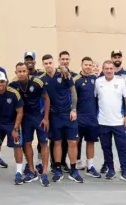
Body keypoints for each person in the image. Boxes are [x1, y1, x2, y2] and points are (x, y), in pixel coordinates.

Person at [9, 62, 51, 186]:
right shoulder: (13, 85)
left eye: (23, 71)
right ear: (16, 73)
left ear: (27, 71)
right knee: (26, 144)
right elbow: (3, 90)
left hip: (38, 117)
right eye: (19, 71)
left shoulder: (37, 82)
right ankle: (32, 171)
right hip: (25, 119)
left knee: (44, 143)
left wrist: (46, 118)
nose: (21, 73)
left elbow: (47, 99)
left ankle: (44, 172)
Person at [41, 54, 80, 183]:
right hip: (54, 115)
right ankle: (57, 168)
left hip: (68, 114)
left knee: (72, 142)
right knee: (57, 142)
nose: (48, 65)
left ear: (54, 63)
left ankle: (74, 170)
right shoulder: (42, 79)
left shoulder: (64, 74)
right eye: (45, 63)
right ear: (43, 65)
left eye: (50, 63)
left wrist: (74, 109)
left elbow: (73, 92)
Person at [95, 60, 126, 183]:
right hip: (103, 122)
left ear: (114, 70)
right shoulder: (98, 82)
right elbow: (94, 100)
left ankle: (125, 171)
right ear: (103, 69)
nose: (109, 70)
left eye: (111, 68)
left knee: (122, 148)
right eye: (106, 68)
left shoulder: (121, 82)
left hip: (119, 122)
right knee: (106, 148)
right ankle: (110, 169)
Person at [0, 71, 25, 183]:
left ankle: (18, 172)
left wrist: (16, 129)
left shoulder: (13, 93)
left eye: (2, 81)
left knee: (17, 145)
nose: (0, 84)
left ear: (6, 82)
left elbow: (20, 112)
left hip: (12, 124)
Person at [74, 57, 101, 179]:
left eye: (90, 65)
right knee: (75, 142)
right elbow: (72, 98)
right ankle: (74, 167)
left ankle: (90, 166)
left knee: (91, 142)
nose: (88, 67)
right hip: (79, 117)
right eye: (86, 65)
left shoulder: (96, 80)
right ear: (81, 65)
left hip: (92, 117)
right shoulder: (76, 80)